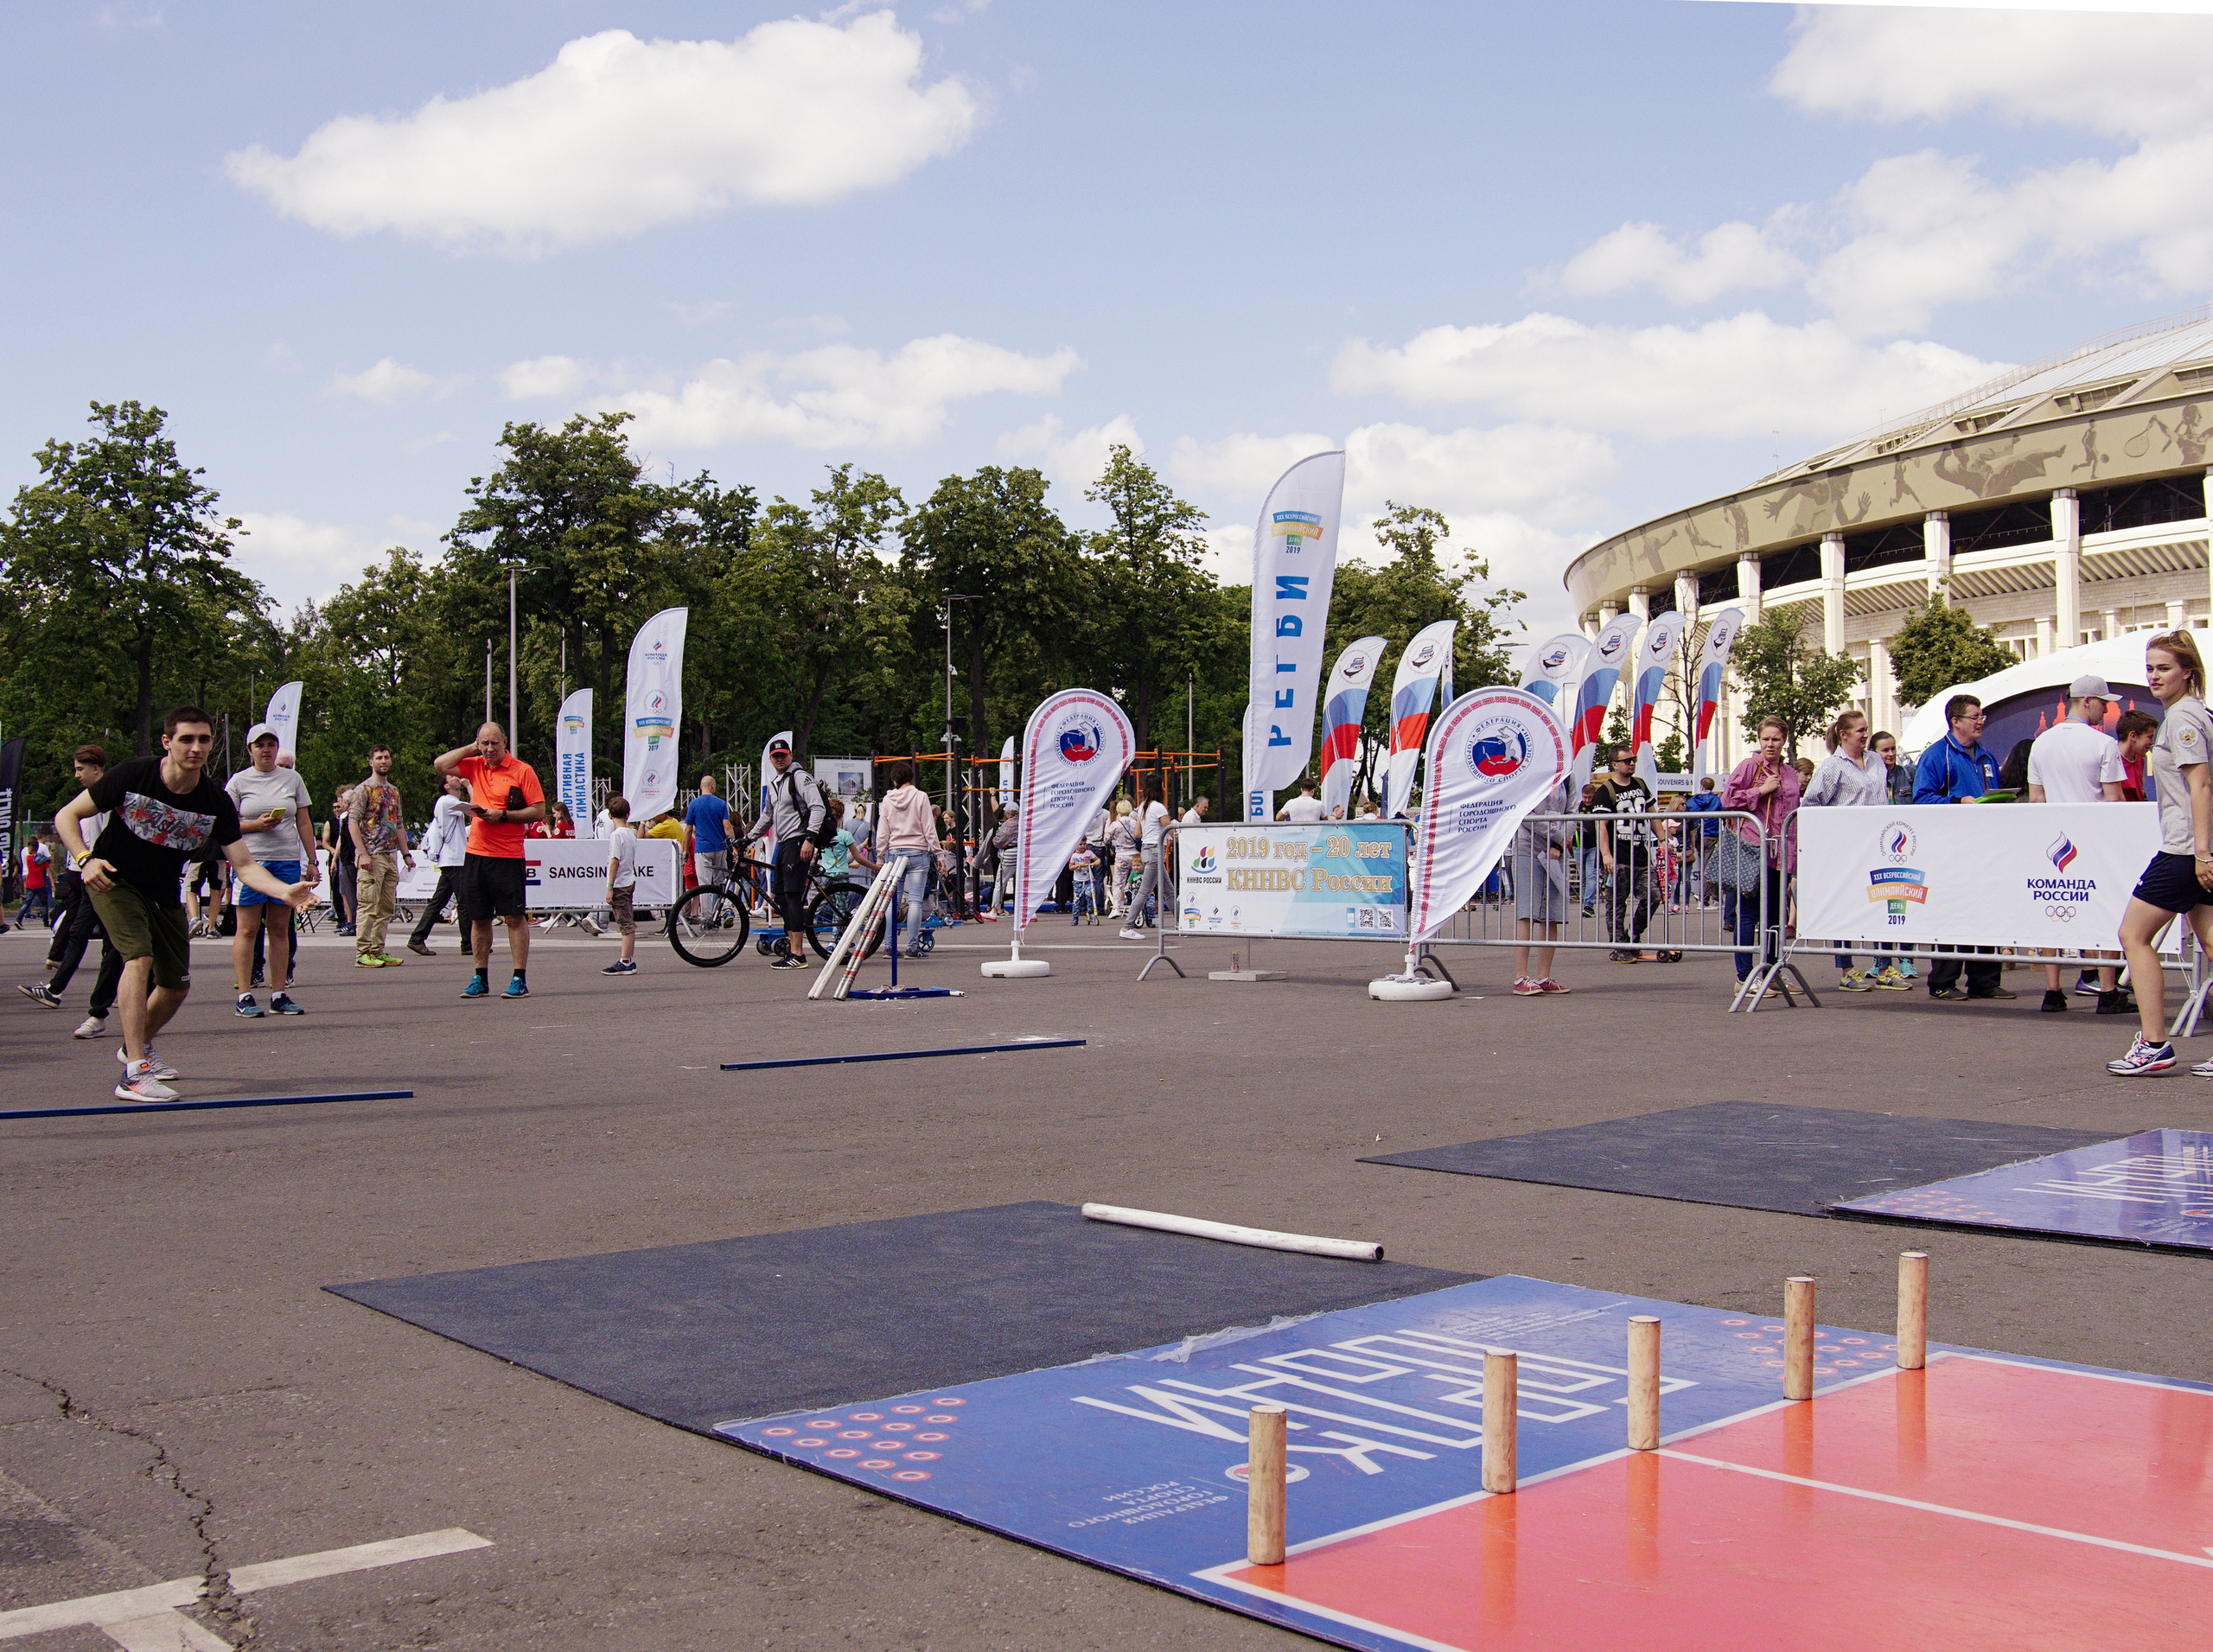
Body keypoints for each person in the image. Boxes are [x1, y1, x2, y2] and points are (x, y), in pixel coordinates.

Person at [52, 706, 314, 1100]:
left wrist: (283, 891)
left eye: (204, 740)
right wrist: (86, 859)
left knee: (175, 987)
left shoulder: (214, 802)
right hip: (114, 882)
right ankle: (134, 1072)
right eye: (186, 739)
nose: (195, 748)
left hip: (163, 893)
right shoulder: (132, 774)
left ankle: (136, 1044)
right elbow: (66, 815)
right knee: (138, 958)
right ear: (167, 742)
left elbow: (243, 864)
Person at [2108, 633, 2213, 1075]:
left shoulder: (2184, 718)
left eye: (2164, 667)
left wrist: (2202, 853)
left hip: (2186, 850)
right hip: (2195, 848)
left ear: (2187, 671)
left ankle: (2154, 1043)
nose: (2154, 676)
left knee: (2133, 935)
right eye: (2150, 668)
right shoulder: (2193, 714)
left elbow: (2201, 785)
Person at [2027, 673, 2130, 1015]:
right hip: (2094, 841)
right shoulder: (2103, 744)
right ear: (2087, 701)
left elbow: (2036, 801)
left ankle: (2053, 991)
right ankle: (2107, 990)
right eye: (2103, 702)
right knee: (2104, 912)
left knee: (2052, 911)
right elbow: (2114, 801)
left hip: (2052, 841)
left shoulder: (2040, 743)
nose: (2106, 709)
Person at [434, 722, 546, 1000]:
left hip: (508, 854)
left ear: (505, 742)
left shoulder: (522, 770)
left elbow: (538, 811)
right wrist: (472, 748)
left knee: (513, 917)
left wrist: (504, 816)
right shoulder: (474, 765)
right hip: (476, 853)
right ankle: (479, 978)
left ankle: (519, 978)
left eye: (494, 743)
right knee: (478, 917)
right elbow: (440, 764)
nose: (489, 749)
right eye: (484, 743)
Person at [1914, 694, 2012, 1002]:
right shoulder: (1936, 756)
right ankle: (1942, 981)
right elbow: (1921, 798)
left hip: (1986, 847)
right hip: (1951, 849)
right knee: (1953, 914)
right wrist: (1958, 802)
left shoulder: (1986, 756)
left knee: (1986, 912)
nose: (1981, 721)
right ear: (1956, 721)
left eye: (1982, 715)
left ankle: (1984, 980)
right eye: (1975, 716)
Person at [22, 745, 124, 1030]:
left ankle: (71, 994)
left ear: (96, 769)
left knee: (103, 940)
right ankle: (62, 992)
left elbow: (105, 840)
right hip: (89, 876)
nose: (76, 774)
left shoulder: (107, 796)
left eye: (81, 769)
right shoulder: (89, 799)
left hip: (104, 877)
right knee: (89, 935)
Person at [1803, 709, 1906, 992]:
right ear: (1844, 735)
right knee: (1846, 910)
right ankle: (1847, 969)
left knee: (1884, 904)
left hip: (1880, 846)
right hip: (1846, 850)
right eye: (1860, 731)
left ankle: (1884, 967)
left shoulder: (1875, 760)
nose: (1865, 735)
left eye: (1866, 729)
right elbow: (1812, 804)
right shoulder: (1831, 766)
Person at [224, 723, 314, 1015]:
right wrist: (255, 825)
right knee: (248, 929)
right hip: (251, 862)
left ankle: (279, 994)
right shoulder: (238, 782)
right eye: (260, 745)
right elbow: (224, 825)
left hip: (285, 860)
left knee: (279, 929)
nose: (266, 750)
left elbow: (303, 821)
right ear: (250, 750)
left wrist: (311, 860)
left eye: (271, 745)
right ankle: (245, 995)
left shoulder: (292, 778)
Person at [1722, 717, 1802, 993]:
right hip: (1754, 849)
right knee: (1749, 914)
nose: (1770, 744)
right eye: (1766, 738)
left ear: (1784, 741)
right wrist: (1760, 790)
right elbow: (1728, 800)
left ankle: (1771, 970)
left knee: (1776, 916)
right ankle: (1744, 977)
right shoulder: (1749, 766)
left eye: (1776, 739)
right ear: (1759, 739)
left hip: (1782, 852)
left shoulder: (1790, 773)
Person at [747, 735, 826, 968]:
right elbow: (767, 817)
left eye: (783, 755)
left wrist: (810, 838)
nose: (779, 759)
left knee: (792, 895)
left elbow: (818, 807)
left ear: (790, 755)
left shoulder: (800, 777)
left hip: (798, 841)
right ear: (771, 760)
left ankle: (798, 954)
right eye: (775, 756)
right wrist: (748, 838)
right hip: (783, 844)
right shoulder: (775, 784)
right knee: (780, 896)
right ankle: (792, 950)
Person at [347, 743, 415, 968]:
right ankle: (362, 952)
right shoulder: (363, 790)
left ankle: (377, 950)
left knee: (386, 907)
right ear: (371, 762)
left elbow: (399, 824)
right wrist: (362, 853)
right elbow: (353, 822)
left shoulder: (393, 791)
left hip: (390, 856)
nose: (383, 761)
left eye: (386, 757)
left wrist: (406, 854)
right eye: (379, 758)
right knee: (368, 905)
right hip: (371, 856)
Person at [1593, 746, 1656, 961]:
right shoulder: (1606, 791)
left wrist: (1664, 839)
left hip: (1641, 855)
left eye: (1634, 759)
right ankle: (1619, 947)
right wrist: (1606, 855)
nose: (1631, 763)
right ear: (1615, 764)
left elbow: (1652, 814)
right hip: (1618, 858)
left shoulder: (1640, 784)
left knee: (1654, 896)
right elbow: (1601, 826)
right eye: (1627, 760)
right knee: (1617, 905)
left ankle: (1632, 938)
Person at [1510, 787, 1572, 995]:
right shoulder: (1531, 771)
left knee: (1551, 915)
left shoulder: (1568, 775)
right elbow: (1524, 811)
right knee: (1526, 912)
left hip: (1557, 851)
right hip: (1528, 848)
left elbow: (1573, 811)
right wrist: (1557, 836)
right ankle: (1521, 976)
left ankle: (1544, 976)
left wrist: (1561, 844)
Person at [872, 759, 937, 956]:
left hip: (894, 852)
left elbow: (882, 832)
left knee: (893, 900)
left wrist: (880, 857)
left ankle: (889, 946)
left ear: (894, 781)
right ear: (911, 778)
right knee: (915, 900)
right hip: (917, 851)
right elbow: (929, 828)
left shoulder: (887, 801)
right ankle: (912, 946)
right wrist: (938, 853)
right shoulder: (921, 797)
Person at [1119, 773, 1170, 940]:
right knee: (1145, 891)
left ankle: (1181, 924)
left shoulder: (1142, 807)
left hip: (1147, 851)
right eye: (1162, 785)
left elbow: (1138, 833)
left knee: (1168, 890)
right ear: (1158, 788)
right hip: (1156, 850)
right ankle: (1127, 927)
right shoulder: (1159, 807)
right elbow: (1167, 827)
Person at [600, 795, 640, 976]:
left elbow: (614, 861)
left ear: (609, 815)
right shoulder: (631, 833)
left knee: (625, 923)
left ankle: (626, 961)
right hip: (629, 880)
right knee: (626, 920)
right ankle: (627, 959)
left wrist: (610, 886)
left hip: (620, 883)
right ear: (628, 814)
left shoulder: (616, 835)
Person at [686, 775, 731, 892]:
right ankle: (722, 907)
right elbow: (727, 826)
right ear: (713, 786)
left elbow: (688, 830)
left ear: (701, 787)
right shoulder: (721, 804)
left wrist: (685, 849)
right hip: (720, 848)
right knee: (720, 882)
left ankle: (706, 911)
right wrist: (734, 846)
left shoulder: (694, 804)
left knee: (704, 885)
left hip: (702, 848)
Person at [322, 789, 358, 934]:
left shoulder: (352, 818)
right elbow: (339, 841)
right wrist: (334, 859)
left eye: (341, 802)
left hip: (350, 859)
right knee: (344, 892)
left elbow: (343, 840)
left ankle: (354, 923)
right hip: (345, 858)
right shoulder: (342, 819)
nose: (339, 806)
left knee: (352, 893)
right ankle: (349, 922)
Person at [2114, 707, 2157, 803]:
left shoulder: (2140, 759)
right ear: (2133, 736)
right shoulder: (2111, 759)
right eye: (2149, 737)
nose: (2152, 742)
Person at [1068, 841, 1100, 924]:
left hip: (1088, 879)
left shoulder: (1089, 852)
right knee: (1077, 899)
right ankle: (1075, 917)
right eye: (1080, 844)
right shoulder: (1074, 855)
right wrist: (1079, 865)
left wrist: (1094, 863)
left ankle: (1090, 913)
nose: (1083, 846)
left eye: (1084, 844)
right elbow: (1070, 867)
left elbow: (1098, 860)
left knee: (1090, 895)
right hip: (1078, 880)